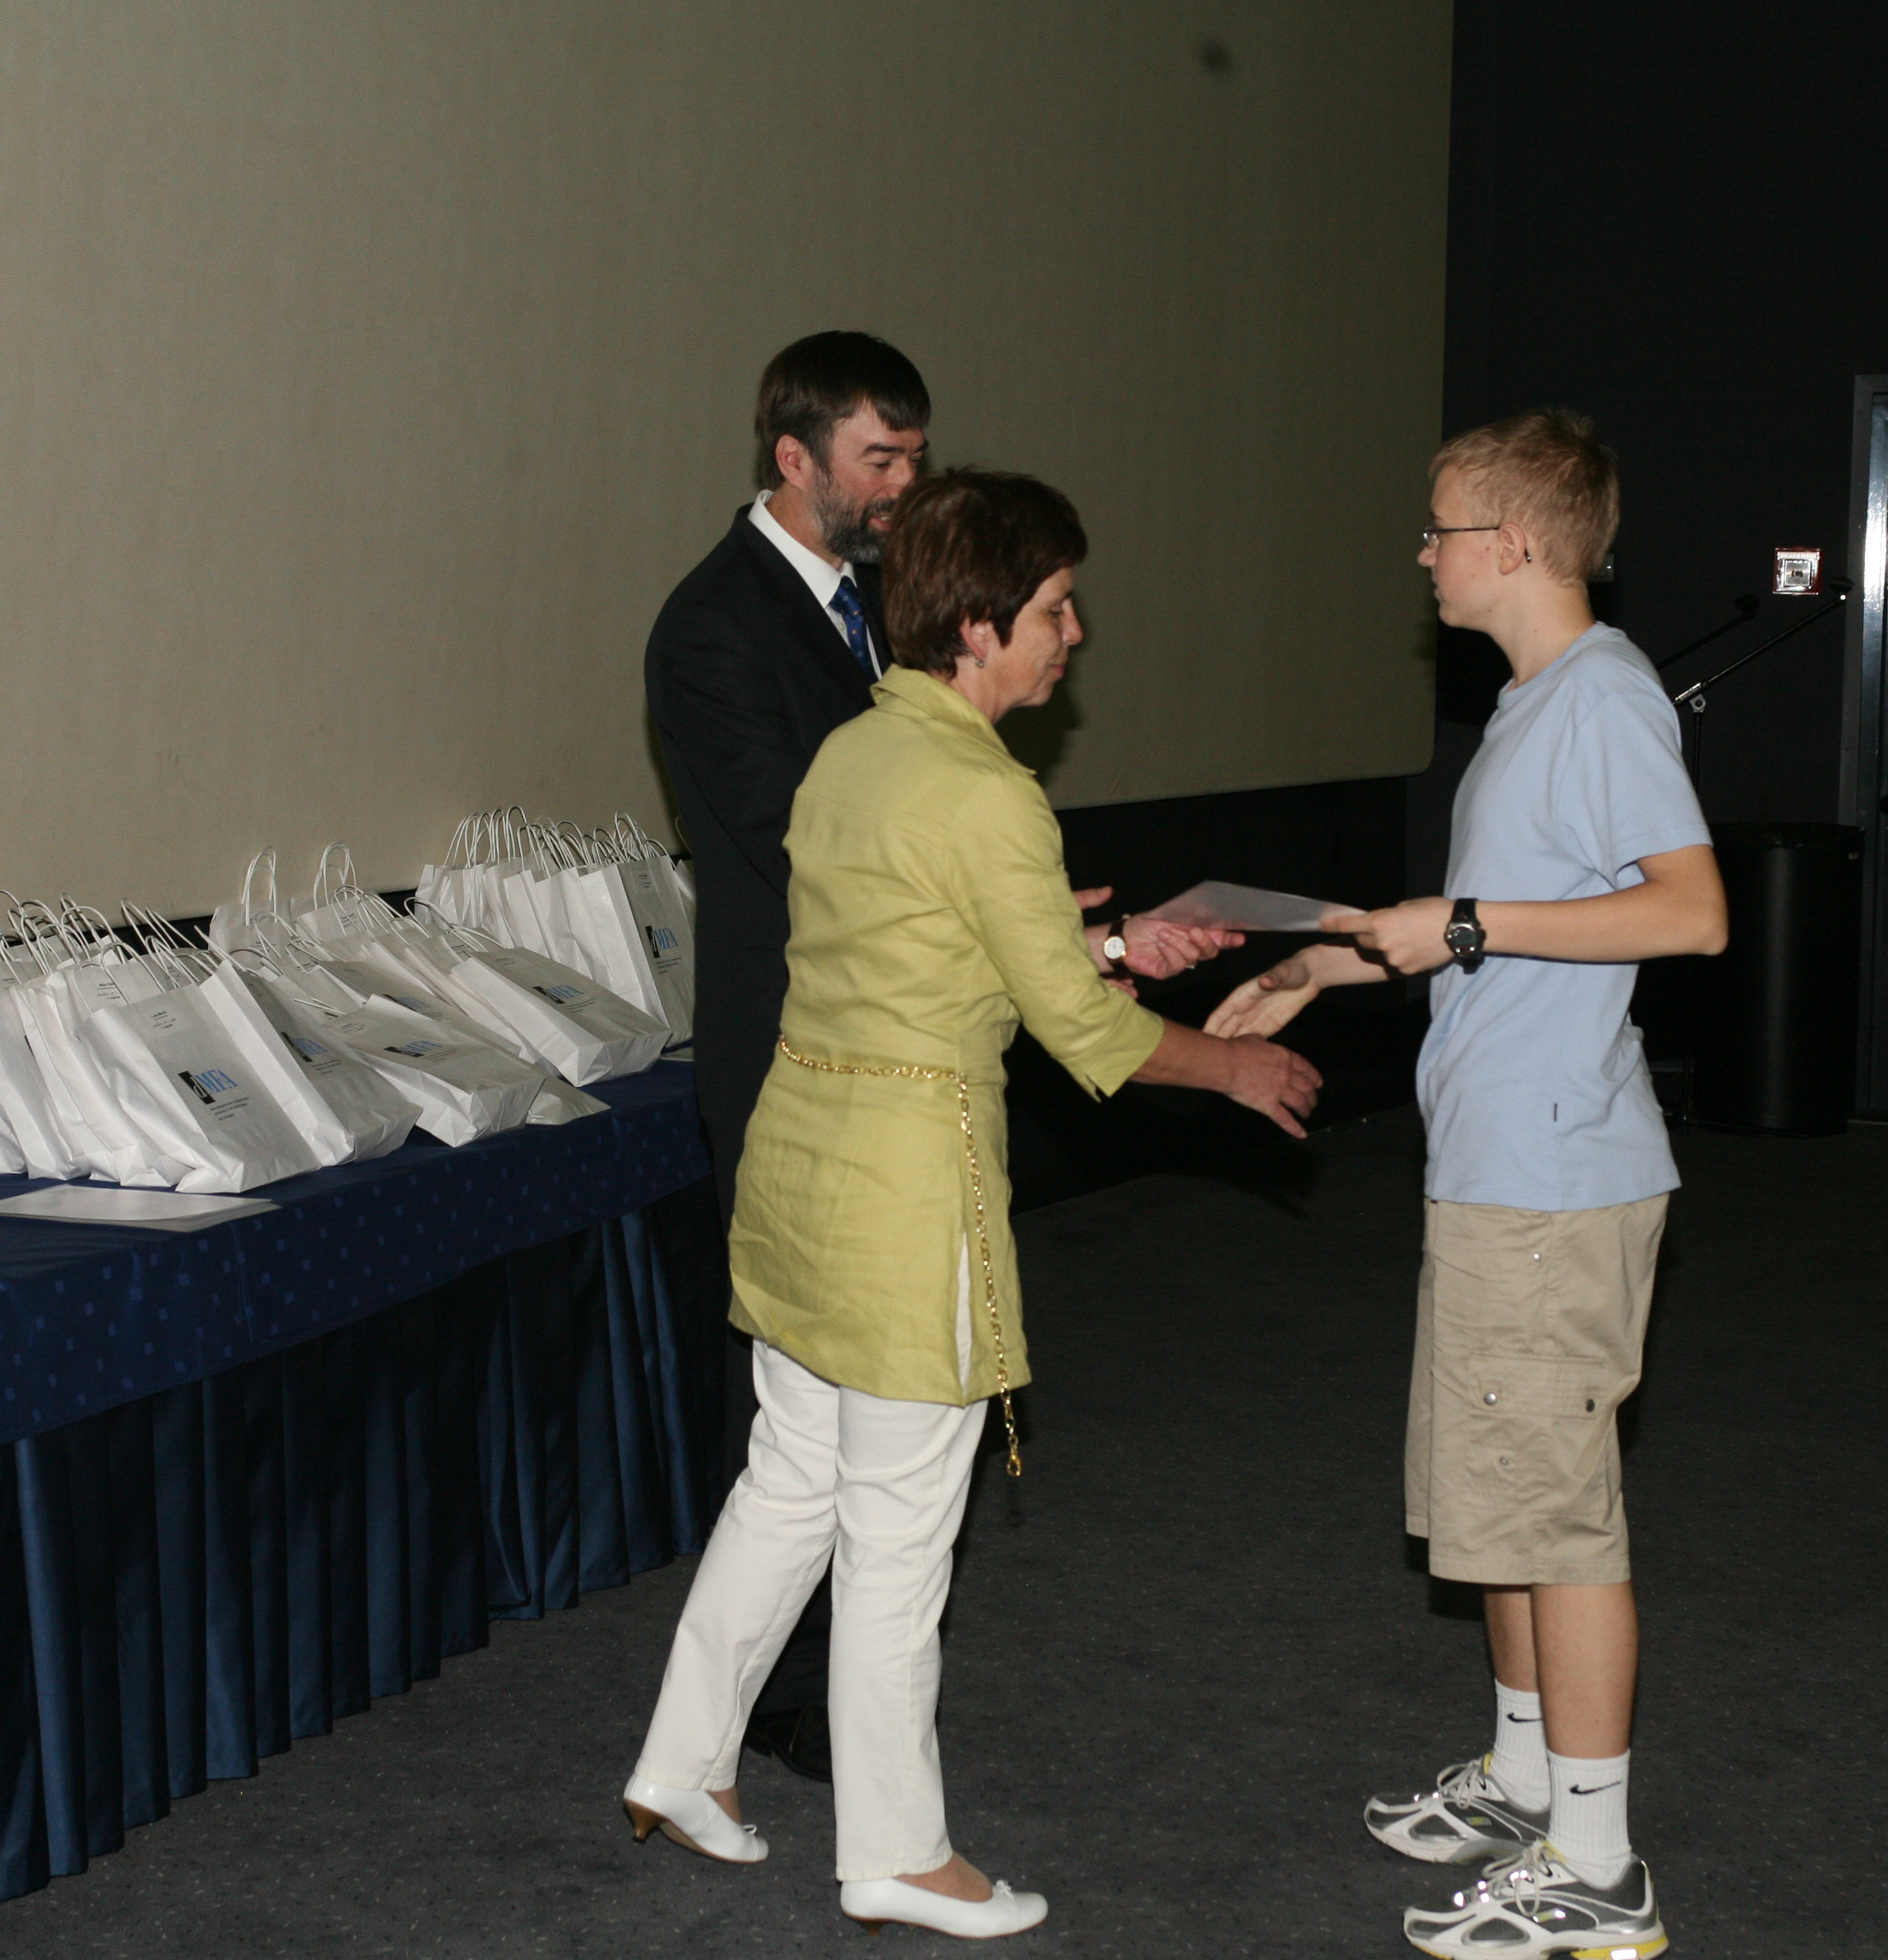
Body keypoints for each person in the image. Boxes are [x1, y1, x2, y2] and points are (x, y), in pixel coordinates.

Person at [623, 469, 1322, 1938]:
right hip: (906, 1198)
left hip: (801, 1170)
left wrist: (1104, 944)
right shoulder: (991, 792)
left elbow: (927, 945)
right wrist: (1236, 1065)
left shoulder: (855, 750)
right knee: (895, 1536)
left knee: (787, 1484)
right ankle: (895, 1852)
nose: (1077, 632)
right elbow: (1083, 1033)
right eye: (1058, 606)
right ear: (983, 626)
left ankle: (684, 1762)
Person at [643, 334, 1229, 1781]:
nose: (906, 487)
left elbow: (922, 857)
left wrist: (1057, 933)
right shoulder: (714, 625)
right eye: (879, 461)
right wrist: (1040, 934)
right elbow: (822, 850)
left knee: (827, 1436)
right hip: (802, 1051)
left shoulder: (878, 609)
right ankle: (800, 1712)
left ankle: (729, 1739)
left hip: (897, 1037)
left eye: (915, 456)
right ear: (793, 458)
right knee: (798, 1420)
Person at [1210, 410, 1724, 1959]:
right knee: (1497, 1499)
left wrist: (1473, 925)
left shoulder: (1605, 697)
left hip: (1557, 1181)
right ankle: (1524, 1779)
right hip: (1501, 1168)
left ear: (1513, 543)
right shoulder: (1530, 704)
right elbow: (1466, 924)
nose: (1422, 555)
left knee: (1559, 1521)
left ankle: (1600, 1866)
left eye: (1439, 529)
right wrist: (1312, 967)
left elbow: (1690, 914)